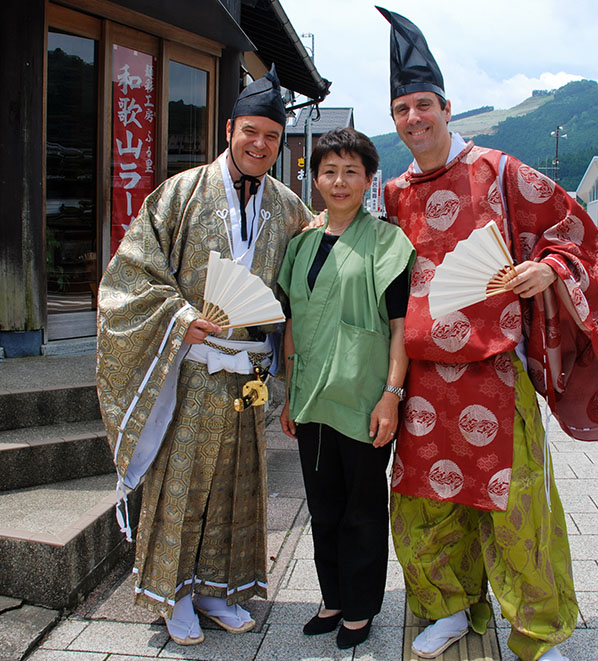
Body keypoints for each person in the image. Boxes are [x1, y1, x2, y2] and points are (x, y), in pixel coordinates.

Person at [376, 8, 598, 661]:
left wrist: (545, 268)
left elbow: (578, 237)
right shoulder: (393, 193)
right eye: (401, 108)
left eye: (423, 105)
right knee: (424, 506)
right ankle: (449, 609)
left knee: (518, 509)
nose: (413, 119)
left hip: (494, 372)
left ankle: (540, 634)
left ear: (446, 107)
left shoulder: (500, 170)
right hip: (425, 378)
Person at [96, 66, 312, 647]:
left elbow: (307, 285)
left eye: (271, 136)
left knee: (240, 483)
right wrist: (179, 316)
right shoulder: (180, 193)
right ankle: (175, 595)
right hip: (191, 367)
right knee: (182, 481)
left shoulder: (291, 208)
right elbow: (133, 272)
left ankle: (221, 588)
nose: (260, 144)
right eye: (251, 132)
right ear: (229, 129)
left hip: (249, 371)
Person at [277, 128, 415, 649]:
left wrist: (391, 395)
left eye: (351, 171)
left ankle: (360, 607)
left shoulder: (387, 241)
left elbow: (401, 327)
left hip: (362, 398)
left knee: (362, 508)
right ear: (314, 179)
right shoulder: (302, 244)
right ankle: (332, 597)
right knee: (323, 505)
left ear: (368, 180)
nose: (339, 181)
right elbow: (292, 322)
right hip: (312, 397)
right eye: (329, 171)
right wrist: (289, 393)